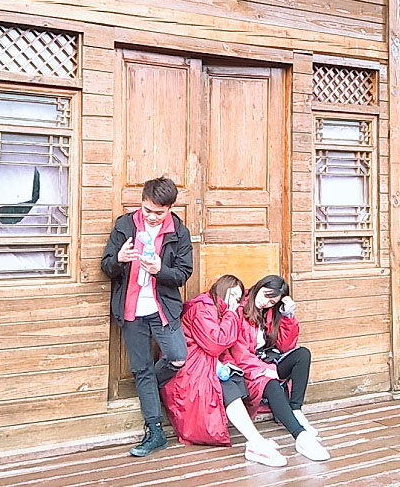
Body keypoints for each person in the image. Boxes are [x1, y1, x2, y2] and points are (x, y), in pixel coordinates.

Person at [101, 177, 193, 457]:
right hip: (130, 309)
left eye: (159, 213)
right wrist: (119, 259)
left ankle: (148, 387)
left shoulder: (179, 231)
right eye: (147, 210)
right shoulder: (125, 225)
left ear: (170, 208)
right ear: (141, 203)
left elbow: (183, 273)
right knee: (141, 370)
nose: (152, 217)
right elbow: (106, 267)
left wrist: (159, 270)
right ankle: (155, 432)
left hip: (162, 308)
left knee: (177, 357)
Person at [161, 275, 286, 467]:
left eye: (238, 298)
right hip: (188, 372)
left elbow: (222, 347)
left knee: (235, 379)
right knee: (226, 387)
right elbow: (217, 343)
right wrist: (230, 314)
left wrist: (228, 363)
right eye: (232, 296)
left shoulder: (215, 308)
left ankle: (255, 440)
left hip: (203, 364)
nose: (235, 301)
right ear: (222, 290)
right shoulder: (202, 308)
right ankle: (256, 442)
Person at [227, 274, 330, 462]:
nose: (265, 302)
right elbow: (239, 353)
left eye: (272, 301)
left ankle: (296, 410)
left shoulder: (270, 312)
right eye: (265, 295)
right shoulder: (240, 309)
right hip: (248, 370)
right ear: (259, 286)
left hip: (268, 361)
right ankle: (301, 437)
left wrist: (288, 317)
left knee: (302, 354)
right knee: (270, 383)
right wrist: (263, 370)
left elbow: (286, 346)